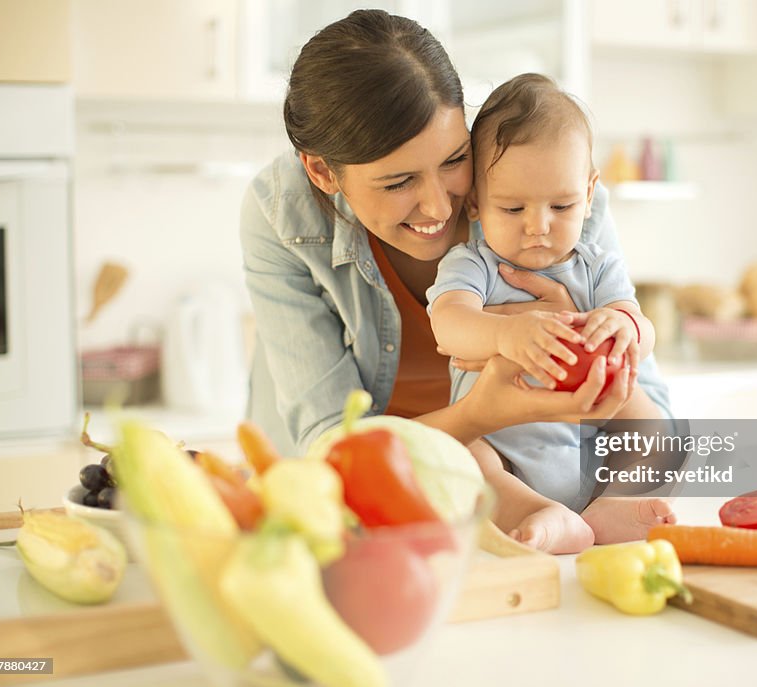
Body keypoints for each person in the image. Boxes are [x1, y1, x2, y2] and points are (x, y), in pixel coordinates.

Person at [239, 9, 673, 549]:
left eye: (454, 159)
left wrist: (596, 331)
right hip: (373, 495)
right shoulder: (282, 214)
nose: (441, 204)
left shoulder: (541, 181)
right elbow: (330, 451)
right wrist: (478, 413)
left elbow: (643, 386)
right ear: (323, 171)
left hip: (549, 478)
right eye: (399, 181)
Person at [427, 74, 676, 553]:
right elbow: (449, 323)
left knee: (653, 429)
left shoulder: (597, 266)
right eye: (513, 207)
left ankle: (610, 506)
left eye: (561, 205)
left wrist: (624, 325)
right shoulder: (473, 264)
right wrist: (506, 335)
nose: (537, 227)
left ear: (589, 193)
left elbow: (642, 332)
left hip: (588, 439)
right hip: (499, 444)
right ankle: (533, 512)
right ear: (476, 204)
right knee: (461, 455)